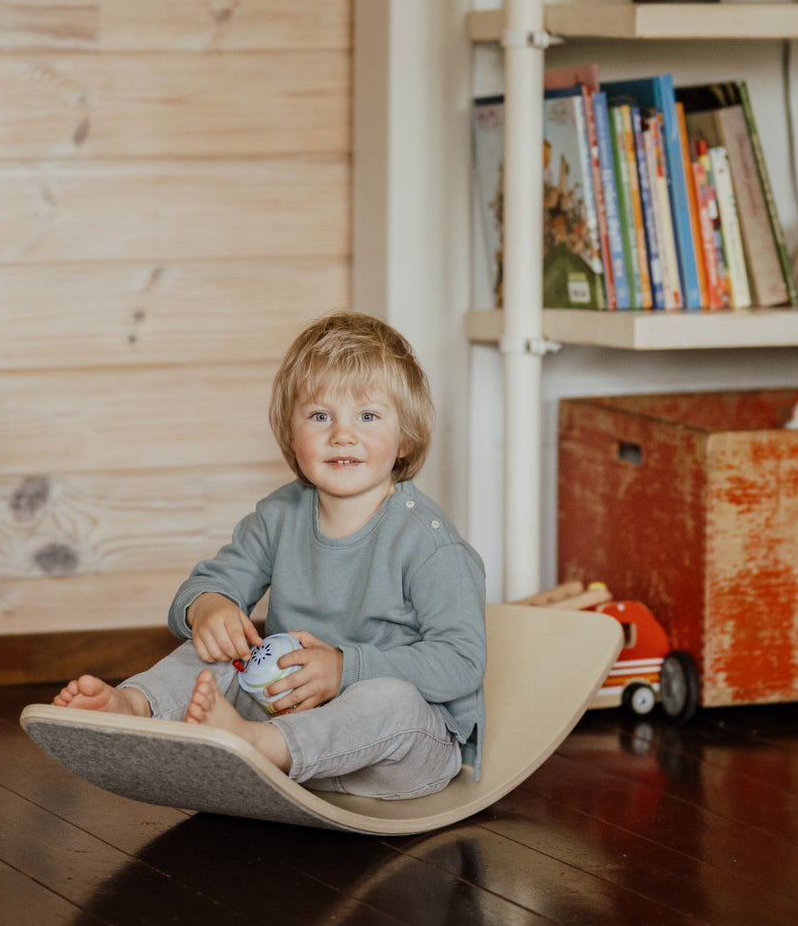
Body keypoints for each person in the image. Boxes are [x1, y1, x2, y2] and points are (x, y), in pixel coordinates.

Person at [53, 311, 486, 800]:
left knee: (390, 700)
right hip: (293, 721)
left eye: (368, 416)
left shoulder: (428, 543)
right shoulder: (281, 514)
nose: (342, 435)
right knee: (216, 646)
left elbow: (461, 662)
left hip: (397, 753)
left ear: (405, 436)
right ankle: (134, 707)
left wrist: (347, 668)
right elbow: (205, 586)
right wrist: (209, 607)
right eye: (320, 416)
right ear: (290, 432)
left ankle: (258, 744)